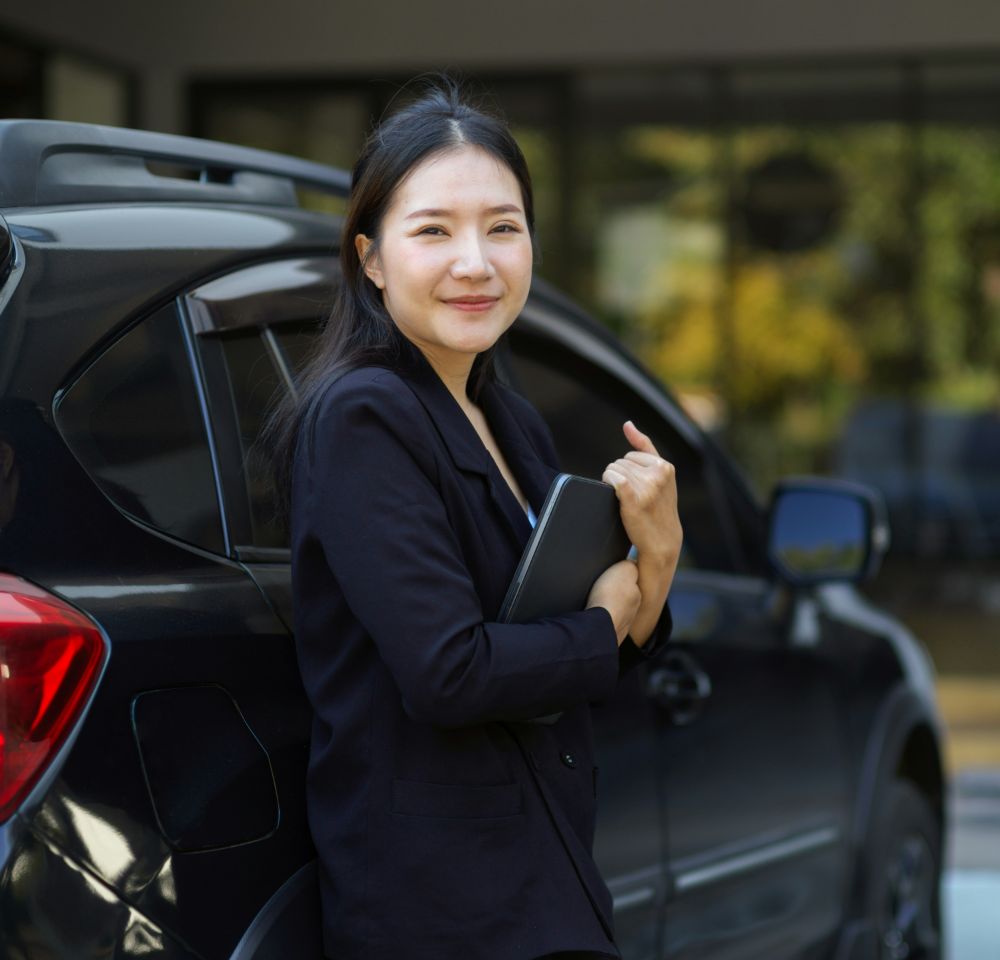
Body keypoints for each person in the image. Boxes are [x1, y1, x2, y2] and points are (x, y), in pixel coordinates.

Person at [265, 79, 682, 960]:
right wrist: (607, 618)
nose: (476, 263)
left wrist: (660, 551)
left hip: (541, 873)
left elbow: (582, 655)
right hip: (440, 908)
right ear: (370, 257)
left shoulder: (508, 417)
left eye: (503, 227)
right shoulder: (363, 416)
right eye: (433, 231)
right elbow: (449, 672)